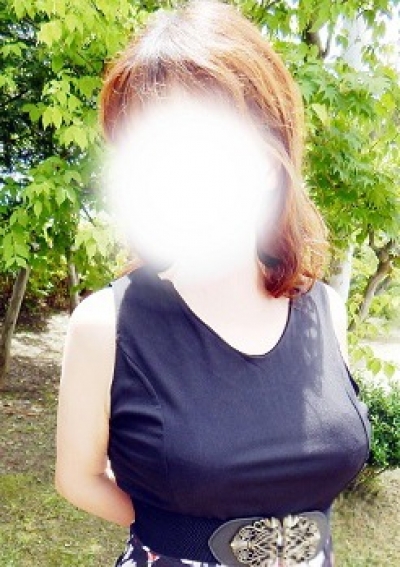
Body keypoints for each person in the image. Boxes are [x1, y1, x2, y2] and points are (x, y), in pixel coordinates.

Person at [55, 1, 371, 566]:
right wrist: (189, 535)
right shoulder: (107, 324)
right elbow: (78, 478)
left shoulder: (324, 309)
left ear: (269, 157)